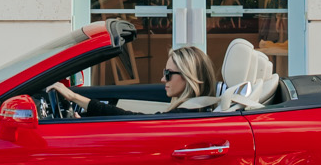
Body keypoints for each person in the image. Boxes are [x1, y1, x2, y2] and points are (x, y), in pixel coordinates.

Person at [50, 44, 216, 117]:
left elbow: (133, 119)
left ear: (188, 77)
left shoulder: (184, 117)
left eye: (168, 73)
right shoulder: (189, 112)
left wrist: (73, 97)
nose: (162, 78)